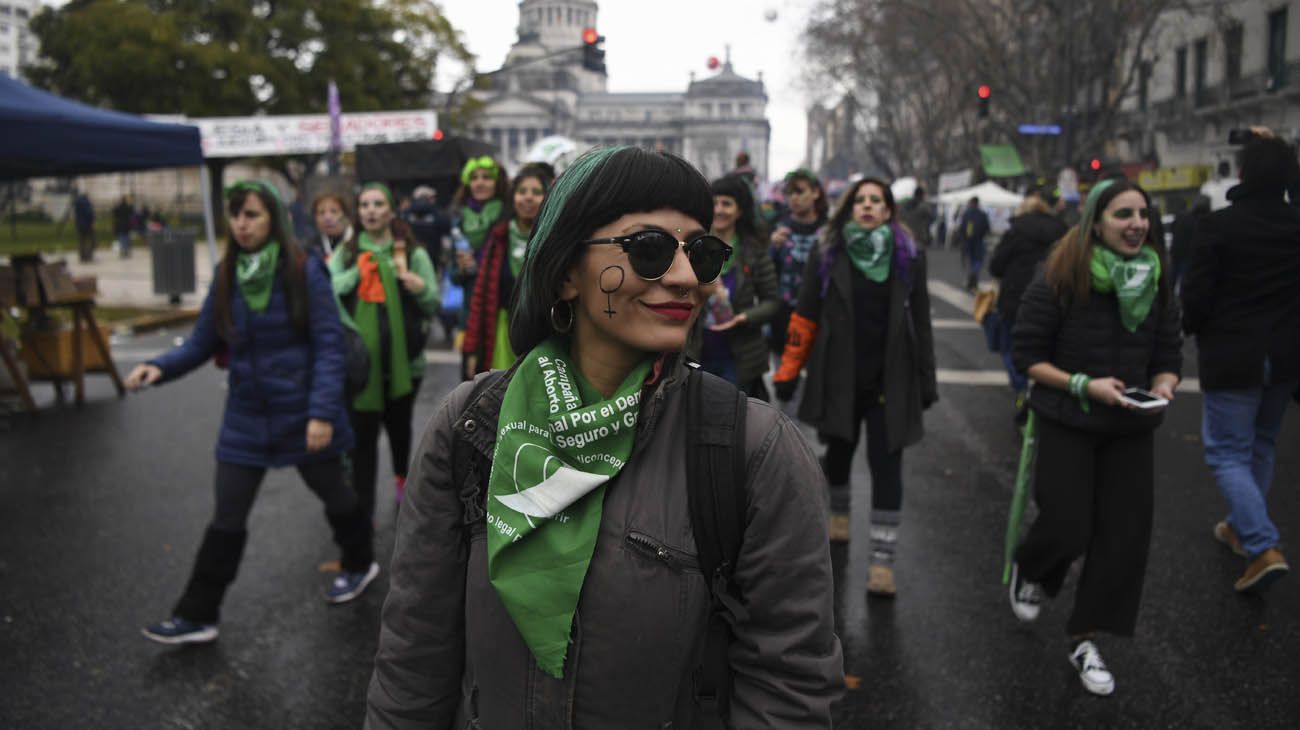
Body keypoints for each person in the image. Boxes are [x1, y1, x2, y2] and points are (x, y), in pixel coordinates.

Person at [366, 146, 843, 728]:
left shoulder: (755, 450)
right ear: (566, 271)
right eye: (649, 250)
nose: (687, 277)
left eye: (702, 253)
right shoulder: (470, 425)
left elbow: (789, 689)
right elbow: (414, 662)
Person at [125, 180, 376, 645]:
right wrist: (157, 368)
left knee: (336, 497)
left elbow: (328, 348)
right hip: (246, 418)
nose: (242, 224)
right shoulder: (228, 274)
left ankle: (360, 562)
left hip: (304, 414)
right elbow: (203, 342)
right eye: (236, 215)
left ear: (274, 220)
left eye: (253, 215)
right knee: (227, 515)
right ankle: (198, 614)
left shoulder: (305, 270)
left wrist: (321, 413)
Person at [1008, 178, 1182, 696]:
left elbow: (1168, 356)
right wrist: (1084, 385)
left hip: (1130, 426)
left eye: (1143, 215)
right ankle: (1030, 568)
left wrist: (1163, 385)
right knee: (1068, 524)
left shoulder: (1157, 278)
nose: (1137, 225)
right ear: (1096, 224)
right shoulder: (1060, 275)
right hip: (1069, 418)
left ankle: (1083, 638)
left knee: (1122, 541)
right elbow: (1028, 357)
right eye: (1123, 215)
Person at [771, 177, 938, 597]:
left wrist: (927, 380)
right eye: (860, 201)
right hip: (839, 376)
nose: (867, 206)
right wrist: (789, 370)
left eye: (876, 201)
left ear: (887, 210)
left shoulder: (908, 256)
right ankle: (839, 517)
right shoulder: (829, 253)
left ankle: (883, 563)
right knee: (839, 455)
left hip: (891, 380)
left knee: (887, 465)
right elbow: (805, 315)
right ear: (850, 209)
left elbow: (921, 320)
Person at [1182, 133, 1300, 593]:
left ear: (1244, 174)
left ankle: (1262, 544)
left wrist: (1193, 326)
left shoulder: (1220, 227)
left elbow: (1197, 292)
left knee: (1227, 451)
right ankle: (1238, 526)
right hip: (1287, 356)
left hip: (1233, 354)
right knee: (1262, 444)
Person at [328, 182, 440, 516]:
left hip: (406, 363)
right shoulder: (346, 253)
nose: (372, 211)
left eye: (378, 204)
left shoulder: (412, 253)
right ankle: (360, 500)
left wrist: (419, 287)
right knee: (361, 437)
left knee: (399, 426)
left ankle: (402, 479)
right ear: (358, 213)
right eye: (364, 205)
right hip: (359, 367)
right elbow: (327, 293)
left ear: (392, 210)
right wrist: (355, 275)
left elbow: (433, 301)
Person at [685, 174, 780, 399]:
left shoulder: (753, 252)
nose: (719, 210)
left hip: (739, 357)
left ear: (739, 211)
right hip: (697, 352)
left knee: (732, 422)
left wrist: (744, 317)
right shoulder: (693, 247)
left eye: (726, 204)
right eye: (714, 203)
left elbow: (772, 301)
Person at [462, 163, 554, 379]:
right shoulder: (498, 237)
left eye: (536, 192)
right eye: (522, 192)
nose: (528, 198)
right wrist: (472, 349)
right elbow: (480, 296)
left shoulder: (553, 240)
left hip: (542, 335)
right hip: (499, 334)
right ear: (513, 197)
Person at [988, 188, 1069, 415]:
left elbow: (997, 265)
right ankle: (1043, 387)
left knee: (1010, 347)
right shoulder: (1060, 228)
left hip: (1016, 298)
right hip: (1053, 296)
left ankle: (1022, 388)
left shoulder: (1017, 229)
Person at [768, 168, 828, 357]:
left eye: (800, 191)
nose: (794, 198)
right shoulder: (779, 227)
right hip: (784, 319)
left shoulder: (829, 231)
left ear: (816, 193)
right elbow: (766, 275)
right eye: (789, 193)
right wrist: (772, 247)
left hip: (820, 315)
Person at [403, 185, 451, 273]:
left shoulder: (405, 215)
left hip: (410, 260)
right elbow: (447, 229)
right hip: (433, 260)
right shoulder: (438, 215)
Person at [1169, 194, 1210, 294]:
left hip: (1178, 252)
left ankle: (1170, 297)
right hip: (1186, 253)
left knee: (1174, 277)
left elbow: (1173, 230)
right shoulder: (1196, 219)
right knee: (1185, 277)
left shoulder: (1181, 217)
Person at [309, 189, 353, 260]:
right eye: (321, 213)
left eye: (334, 211)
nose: (327, 218)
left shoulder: (358, 242)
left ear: (346, 216)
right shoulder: (311, 248)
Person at [959, 196, 990, 290]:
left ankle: (971, 278)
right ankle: (974, 276)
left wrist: (963, 239)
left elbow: (962, 228)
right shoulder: (982, 214)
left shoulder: (967, 214)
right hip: (979, 240)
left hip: (968, 241)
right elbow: (987, 228)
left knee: (971, 260)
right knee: (978, 260)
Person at [73, 191, 96, 263]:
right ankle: (89, 255)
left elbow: (76, 215)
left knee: (82, 241)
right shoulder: (87, 203)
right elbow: (89, 213)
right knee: (93, 240)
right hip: (87, 225)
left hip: (79, 225)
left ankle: (82, 256)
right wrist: (92, 222)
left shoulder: (77, 204)